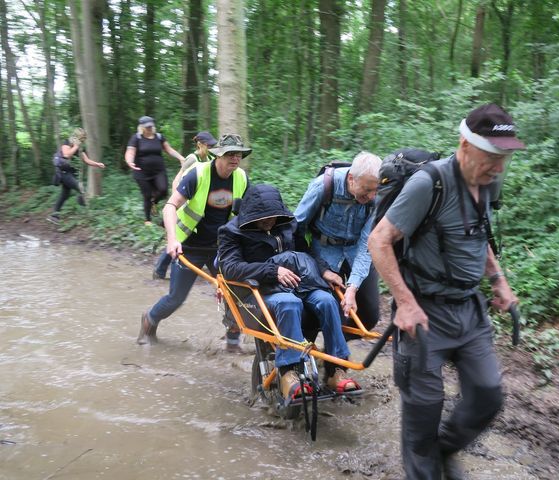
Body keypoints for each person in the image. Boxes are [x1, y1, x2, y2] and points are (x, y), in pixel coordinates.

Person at [368, 103, 524, 480]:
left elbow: (478, 236)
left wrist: (498, 281)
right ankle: (425, 464)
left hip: (470, 310)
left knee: (488, 394)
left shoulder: (489, 180)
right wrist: (404, 304)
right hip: (423, 313)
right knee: (425, 406)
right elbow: (379, 240)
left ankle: (441, 451)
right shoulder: (429, 184)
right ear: (465, 145)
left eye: (504, 157)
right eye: (492, 156)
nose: (499, 167)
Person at [217, 184, 360, 400]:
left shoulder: (288, 225)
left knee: (326, 300)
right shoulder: (231, 231)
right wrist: (272, 271)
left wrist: (324, 271)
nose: (270, 222)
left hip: (298, 285)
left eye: (274, 217)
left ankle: (335, 370)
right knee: (288, 303)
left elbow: (306, 251)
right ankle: (288, 373)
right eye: (264, 217)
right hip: (259, 291)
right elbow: (230, 268)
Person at [137, 133, 250, 351]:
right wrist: (171, 240)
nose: (235, 159)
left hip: (221, 248)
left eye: (239, 154)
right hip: (189, 246)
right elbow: (170, 207)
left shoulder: (241, 178)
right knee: (176, 298)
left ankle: (233, 344)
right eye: (230, 154)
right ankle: (148, 321)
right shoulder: (197, 174)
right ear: (218, 155)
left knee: (235, 292)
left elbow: (245, 215)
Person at [294, 151, 382, 339]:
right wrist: (314, 264)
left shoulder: (376, 197)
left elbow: (367, 243)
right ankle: (323, 360)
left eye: (375, 190)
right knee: (324, 310)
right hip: (323, 252)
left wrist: (353, 287)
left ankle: (334, 346)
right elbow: (296, 226)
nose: (372, 195)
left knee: (370, 314)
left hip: (356, 251)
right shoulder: (323, 187)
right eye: (367, 190)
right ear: (351, 178)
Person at [152, 131, 218, 280]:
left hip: (198, 207)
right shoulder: (192, 159)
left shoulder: (208, 158)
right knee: (180, 238)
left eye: (213, 145)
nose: (212, 147)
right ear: (200, 144)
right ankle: (160, 271)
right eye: (209, 145)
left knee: (186, 239)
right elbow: (179, 180)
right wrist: (179, 204)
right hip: (185, 206)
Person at [125, 116, 185, 225]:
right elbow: (130, 152)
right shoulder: (136, 138)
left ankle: (154, 202)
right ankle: (147, 220)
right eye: (147, 127)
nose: (149, 128)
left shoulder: (159, 137)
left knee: (163, 190)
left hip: (158, 171)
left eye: (151, 126)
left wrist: (180, 157)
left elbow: (169, 149)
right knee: (147, 195)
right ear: (141, 127)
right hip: (141, 172)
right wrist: (129, 161)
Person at [48, 128, 105, 224]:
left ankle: (54, 215)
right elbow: (66, 155)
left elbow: (86, 160)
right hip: (63, 173)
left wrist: (97, 164)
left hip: (70, 173)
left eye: (84, 138)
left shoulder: (80, 147)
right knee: (81, 188)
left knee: (64, 195)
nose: (84, 139)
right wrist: (75, 146)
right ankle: (87, 213)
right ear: (77, 136)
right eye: (82, 137)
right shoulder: (67, 143)